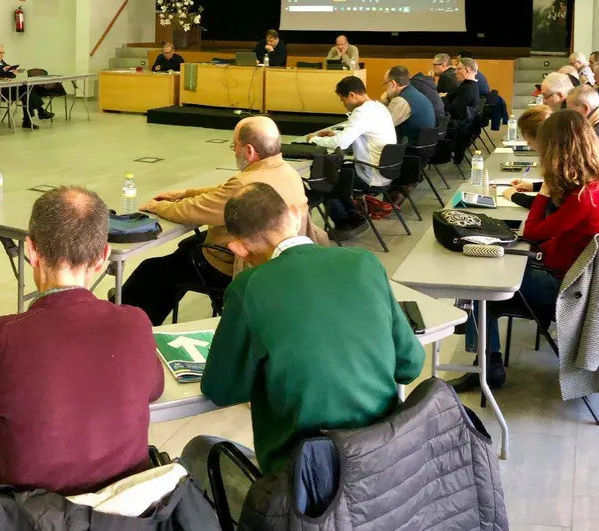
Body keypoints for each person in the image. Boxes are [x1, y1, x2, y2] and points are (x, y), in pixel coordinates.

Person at [180, 182, 423, 486]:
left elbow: (221, 389)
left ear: (239, 248)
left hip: (303, 478)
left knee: (198, 452)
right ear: (295, 215)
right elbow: (410, 365)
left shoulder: (248, 287)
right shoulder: (365, 263)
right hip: (384, 463)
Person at [0, 186, 163, 502]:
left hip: (34, 516)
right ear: (104, 256)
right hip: (122, 515)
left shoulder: (0, 335)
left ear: (31, 251)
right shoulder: (136, 323)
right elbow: (155, 389)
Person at [461, 110, 599, 389]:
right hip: (571, 274)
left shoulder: (585, 198)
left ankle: (487, 364)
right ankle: (481, 348)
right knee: (487, 276)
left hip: (565, 286)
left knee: (479, 285)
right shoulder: (598, 184)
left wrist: (544, 191)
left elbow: (532, 232)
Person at [122, 116, 314, 325]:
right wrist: (186, 193)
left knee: (153, 270)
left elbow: (191, 210)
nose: (234, 151)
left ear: (249, 150)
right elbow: (222, 192)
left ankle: (129, 322)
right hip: (277, 262)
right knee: (183, 252)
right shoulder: (287, 171)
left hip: (234, 263)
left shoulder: (245, 183)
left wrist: (156, 206)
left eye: (235, 146)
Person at [306, 76, 397, 240]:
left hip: (371, 174)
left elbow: (340, 143)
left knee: (325, 182)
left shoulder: (361, 112)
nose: (344, 104)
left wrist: (314, 139)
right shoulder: (378, 107)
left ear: (352, 95)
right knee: (337, 173)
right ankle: (354, 217)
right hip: (384, 170)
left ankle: (346, 222)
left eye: (343, 100)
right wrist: (337, 134)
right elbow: (360, 135)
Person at [0, 43, 49, 130]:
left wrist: (13, 73)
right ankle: (40, 112)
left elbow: (9, 75)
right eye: (0, 52)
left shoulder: (2, 62)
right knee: (27, 90)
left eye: (3, 52)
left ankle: (28, 120)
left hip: (8, 87)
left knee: (27, 92)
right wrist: (3, 70)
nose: (2, 54)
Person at [501, 104, 553, 209]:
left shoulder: (559, 163)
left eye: (528, 139)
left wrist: (513, 196)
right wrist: (533, 186)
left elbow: (548, 205)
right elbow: (555, 186)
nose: (528, 144)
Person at [381, 66, 437, 144]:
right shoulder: (412, 91)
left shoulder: (401, 100)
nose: (386, 88)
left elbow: (382, 125)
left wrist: (383, 103)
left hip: (412, 145)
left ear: (393, 83)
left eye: (386, 84)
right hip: (424, 142)